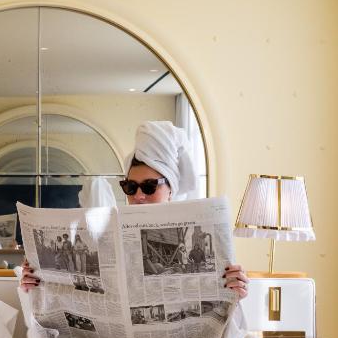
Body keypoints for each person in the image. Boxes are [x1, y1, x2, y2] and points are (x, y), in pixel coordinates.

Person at [22, 120, 248, 306]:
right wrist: (34, 285)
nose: (139, 196)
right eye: (130, 187)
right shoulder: (105, 231)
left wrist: (235, 290)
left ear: (171, 189)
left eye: (149, 186)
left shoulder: (195, 234)